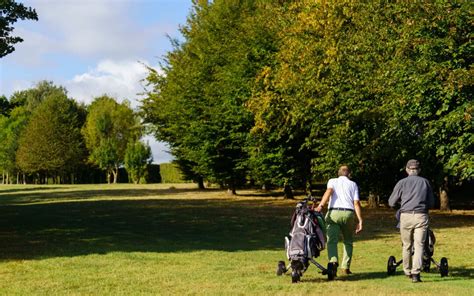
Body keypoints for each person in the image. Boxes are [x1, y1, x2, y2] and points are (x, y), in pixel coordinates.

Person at [388, 159, 435, 283]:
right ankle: (416, 274)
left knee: (407, 245)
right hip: (421, 216)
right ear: (419, 170)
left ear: (407, 170)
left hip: (406, 216)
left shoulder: (401, 183)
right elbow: (431, 203)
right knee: (419, 245)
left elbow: (391, 202)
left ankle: (407, 271)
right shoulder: (425, 182)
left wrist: (402, 203)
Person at [316, 165, 363, 275]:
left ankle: (333, 262)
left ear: (338, 173)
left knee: (332, 240)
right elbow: (356, 203)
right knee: (348, 241)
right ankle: (345, 267)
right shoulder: (353, 184)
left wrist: (320, 206)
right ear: (349, 174)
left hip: (334, 213)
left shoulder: (332, 181)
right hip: (348, 213)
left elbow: (329, 191)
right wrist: (360, 220)